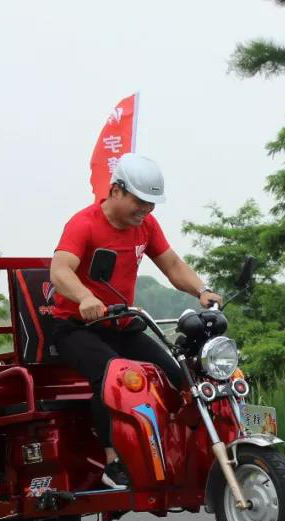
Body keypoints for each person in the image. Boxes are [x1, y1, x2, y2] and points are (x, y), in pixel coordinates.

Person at [49, 153, 222, 488]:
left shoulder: (146, 226)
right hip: (75, 327)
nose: (145, 210)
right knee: (112, 374)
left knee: (177, 374)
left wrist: (202, 290)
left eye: (151, 204)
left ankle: (182, 451)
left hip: (121, 323)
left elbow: (172, 265)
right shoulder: (84, 224)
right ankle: (112, 462)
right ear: (116, 190)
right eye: (139, 202)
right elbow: (60, 270)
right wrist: (85, 297)